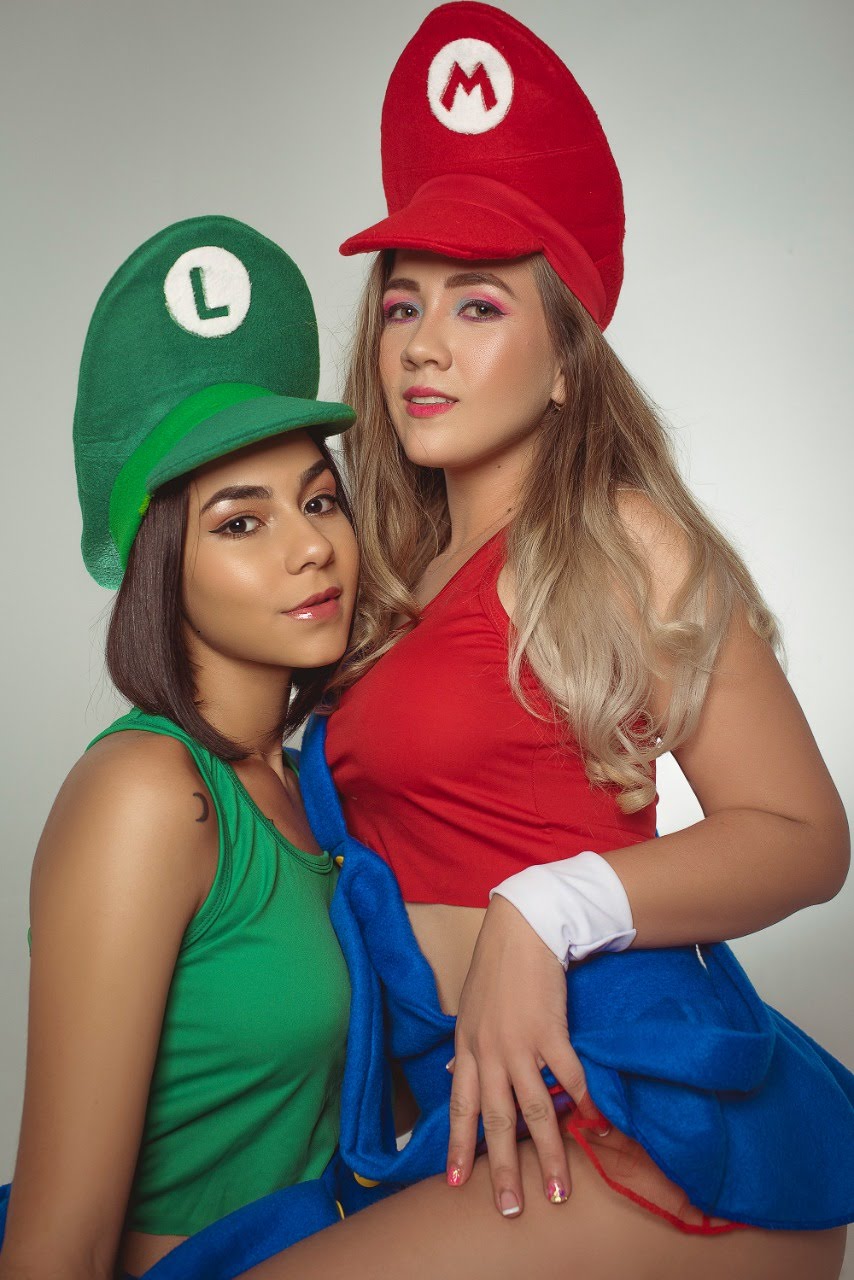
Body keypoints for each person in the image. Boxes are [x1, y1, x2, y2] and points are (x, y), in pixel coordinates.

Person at [235, 4, 853, 1277]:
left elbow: (803, 832)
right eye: (402, 304)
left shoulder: (618, 537)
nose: (421, 344)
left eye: (477, 305)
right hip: (466, 1115)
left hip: (633, 1103)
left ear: (566, 359)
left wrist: (547, 904)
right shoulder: (379, 580)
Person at [0, 215, 373, 1280]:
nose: (311, 546)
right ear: (163, 562)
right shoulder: (147, 791)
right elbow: (59, 1242)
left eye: (318, 500)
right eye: (241, 522)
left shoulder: (309, 782)